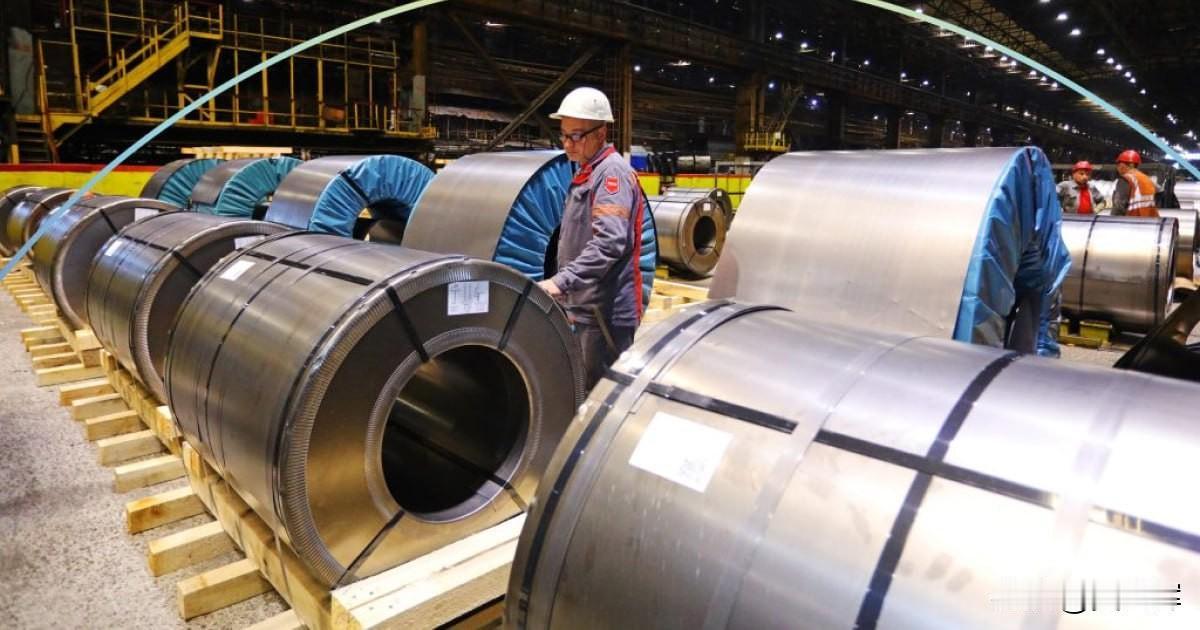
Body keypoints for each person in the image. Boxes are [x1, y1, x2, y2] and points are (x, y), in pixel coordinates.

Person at [537, 87, 646, 387]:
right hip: (587, 308)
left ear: (601, 133)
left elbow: (609, 243)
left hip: (605, 314)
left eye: (576, 136)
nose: (567, 144)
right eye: (564, 135)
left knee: (601, 397)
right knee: (582, 388)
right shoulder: (588, 171)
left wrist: (562, 281)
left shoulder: (611, 175)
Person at [1111, 150, 1160, 217]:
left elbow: (1119, 206)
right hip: (1150, 220)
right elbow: (1160, 191)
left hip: (1132, 220)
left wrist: (1113, 220)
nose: (1118, 167)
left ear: (1131, 165)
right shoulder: (1147, 178)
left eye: (1120, 164)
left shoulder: (1126, 179)